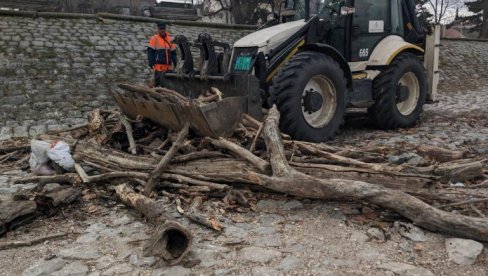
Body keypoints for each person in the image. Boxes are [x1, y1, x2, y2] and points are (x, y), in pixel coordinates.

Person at [147, 22, 177, 87]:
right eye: (161, 28)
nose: (162, 30)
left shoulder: (170, 39)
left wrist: (175, 63)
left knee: (168, 86)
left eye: (163, 28)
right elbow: (150, 52)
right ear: (158, 29)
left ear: (165, 29)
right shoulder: (154, 38)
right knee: (157, 85)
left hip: (168, 68)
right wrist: (150, 62)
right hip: (158, 68)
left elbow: (173, 53)